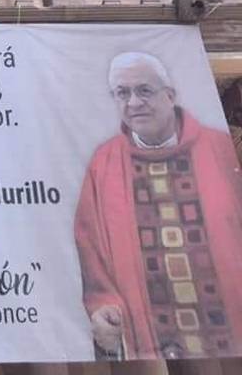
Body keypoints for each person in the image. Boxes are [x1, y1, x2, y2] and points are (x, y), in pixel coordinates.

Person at [74, 52, 242, 361]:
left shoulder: (223, 148)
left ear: (170, 95)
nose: (134, 102)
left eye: (144, 90)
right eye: (122, 93)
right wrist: (103, 306)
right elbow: (91, 246)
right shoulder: (104, 162)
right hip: (149, 331)